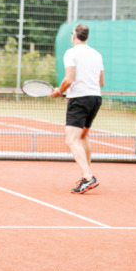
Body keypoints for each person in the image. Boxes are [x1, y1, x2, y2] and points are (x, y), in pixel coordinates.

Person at [49, 24, 104, 194]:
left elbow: (69, 79)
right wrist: (72, 92)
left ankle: (88, 177)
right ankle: (86, 175)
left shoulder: (71, 53)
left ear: (73, 36)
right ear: (87, 37)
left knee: (71, 140)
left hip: (80, 100)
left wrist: (59, 91)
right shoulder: (97, 54)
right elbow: (101, 82)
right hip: (95, 98)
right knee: (82, 136)